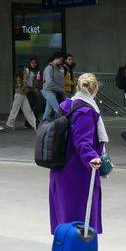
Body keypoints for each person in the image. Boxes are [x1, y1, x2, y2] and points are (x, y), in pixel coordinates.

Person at [48, 73, 107, 235]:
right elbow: (82, 141)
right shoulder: (86, 111)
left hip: (61, 168)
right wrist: (93, 158)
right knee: (80, 225)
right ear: (95, 90)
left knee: (64, 223)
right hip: (77, 173)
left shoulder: (67, 105)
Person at [6, 56, 40, 130]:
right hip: (20, 93)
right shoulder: (26, 71)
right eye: (32, 63)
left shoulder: (24, 73)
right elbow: (24, 82)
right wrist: (28, 88)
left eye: (35, 63)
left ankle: (34, 124)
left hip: (22, 93)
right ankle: (10, 124)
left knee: (26, 110)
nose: (33, 64)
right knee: (19, 109)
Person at [40, 51, 66, 121]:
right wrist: (61, 90)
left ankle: (43, 126)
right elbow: (49, 83)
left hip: (53, 91)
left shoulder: (59, 68)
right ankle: (59, 123)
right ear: (56, 58)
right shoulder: (49, 68)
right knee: (57, 108)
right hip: (48, 91)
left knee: (48, 110)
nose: (61, 61)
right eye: (61, 60)